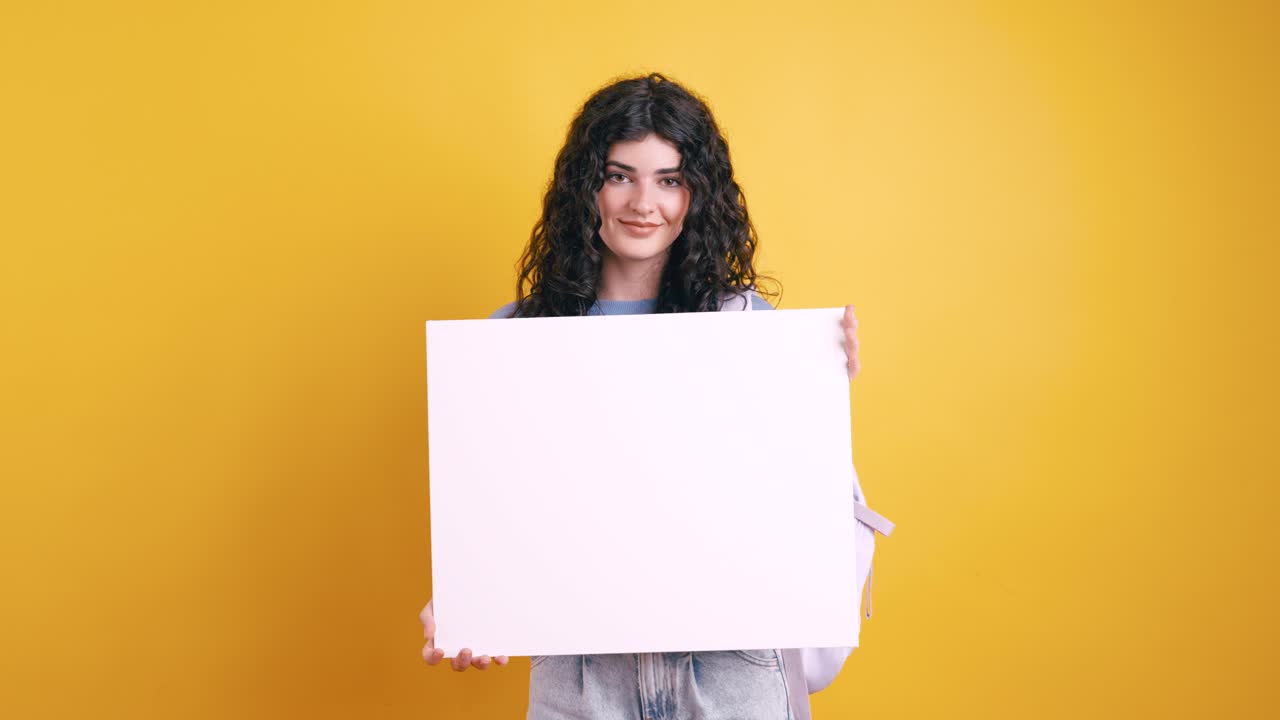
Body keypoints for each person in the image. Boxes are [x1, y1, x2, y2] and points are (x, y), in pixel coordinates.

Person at [420, 73, 873, 720]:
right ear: (587, 187)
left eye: (670, 179)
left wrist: (822, 391)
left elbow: (788, 496)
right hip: (583, 675)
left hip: (730, 668)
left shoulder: (745, 323)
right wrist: (462, 599)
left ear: (697, 195)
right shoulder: (516, 339)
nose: (643, 202)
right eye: (619, 174)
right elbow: (499, 508)